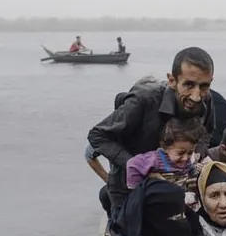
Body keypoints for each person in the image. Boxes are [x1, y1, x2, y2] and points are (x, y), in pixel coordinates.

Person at [88, 47, 217, 222]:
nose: (196, 96)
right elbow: (97, 135)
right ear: (172, 80)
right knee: (130, 235)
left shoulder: (206, 99)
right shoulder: (144, 100)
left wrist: (197, 154)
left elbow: (207, 131)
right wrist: (139, 167)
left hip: (177, 189)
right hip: (130, 189)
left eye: (204, 86)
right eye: (189, 85)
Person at [126, 118, 205, 208]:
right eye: (180, 153)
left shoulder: (187, 163)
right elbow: (132, 164)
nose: (185, 158)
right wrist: (137, 191)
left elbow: (192, 172)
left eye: (190, 152)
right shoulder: (154, 160)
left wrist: (198, 176)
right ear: (165, 147)